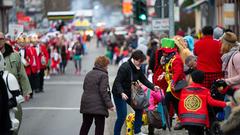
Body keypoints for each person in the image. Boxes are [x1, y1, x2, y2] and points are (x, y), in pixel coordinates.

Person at [112, 50, 160, 135]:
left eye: (142, 62)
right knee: (122, 116)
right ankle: (116, 133)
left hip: (130, 92)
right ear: (134, 59)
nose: (141, 64)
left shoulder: (138, 67)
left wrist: (153, 87)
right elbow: (117, 82)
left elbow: (143, 79)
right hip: (119, 93)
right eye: (139, 62)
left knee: (139, 109)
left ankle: (137, 131)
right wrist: (121, 93)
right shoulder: (125, 67)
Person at [178, 70, 230, 135]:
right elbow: (212, 102)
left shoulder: (184, 90)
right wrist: (226, 104)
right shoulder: (205, 91)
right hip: (200, 120)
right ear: (203, 80)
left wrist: (180, 118)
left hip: (187, 118)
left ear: (192, 79)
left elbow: (180, 104)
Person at [0, 32, 32, 135]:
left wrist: (27, 91)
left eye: (1, 39)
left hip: (13, 95)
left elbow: (22, 74)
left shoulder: (15, 55)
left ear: (4, 40)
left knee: (14, 123)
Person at [80, 56, 114, 135]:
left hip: (86, 103)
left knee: (85, 125)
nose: (107, 67)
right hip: (99, 106)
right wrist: (110, 105)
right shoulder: (103, 75)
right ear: (104, 65)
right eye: (107, 65)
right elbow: (103, 91)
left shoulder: (89, 73)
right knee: (99, 128)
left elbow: (84, 87)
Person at [220, 32, 240, 119]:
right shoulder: (228, 56)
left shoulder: (236, 56)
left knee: (230, 121)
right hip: (230, 92)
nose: (221, 45)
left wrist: (226, 81)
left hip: (236, 94)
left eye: (222, 42)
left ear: (226, 44)